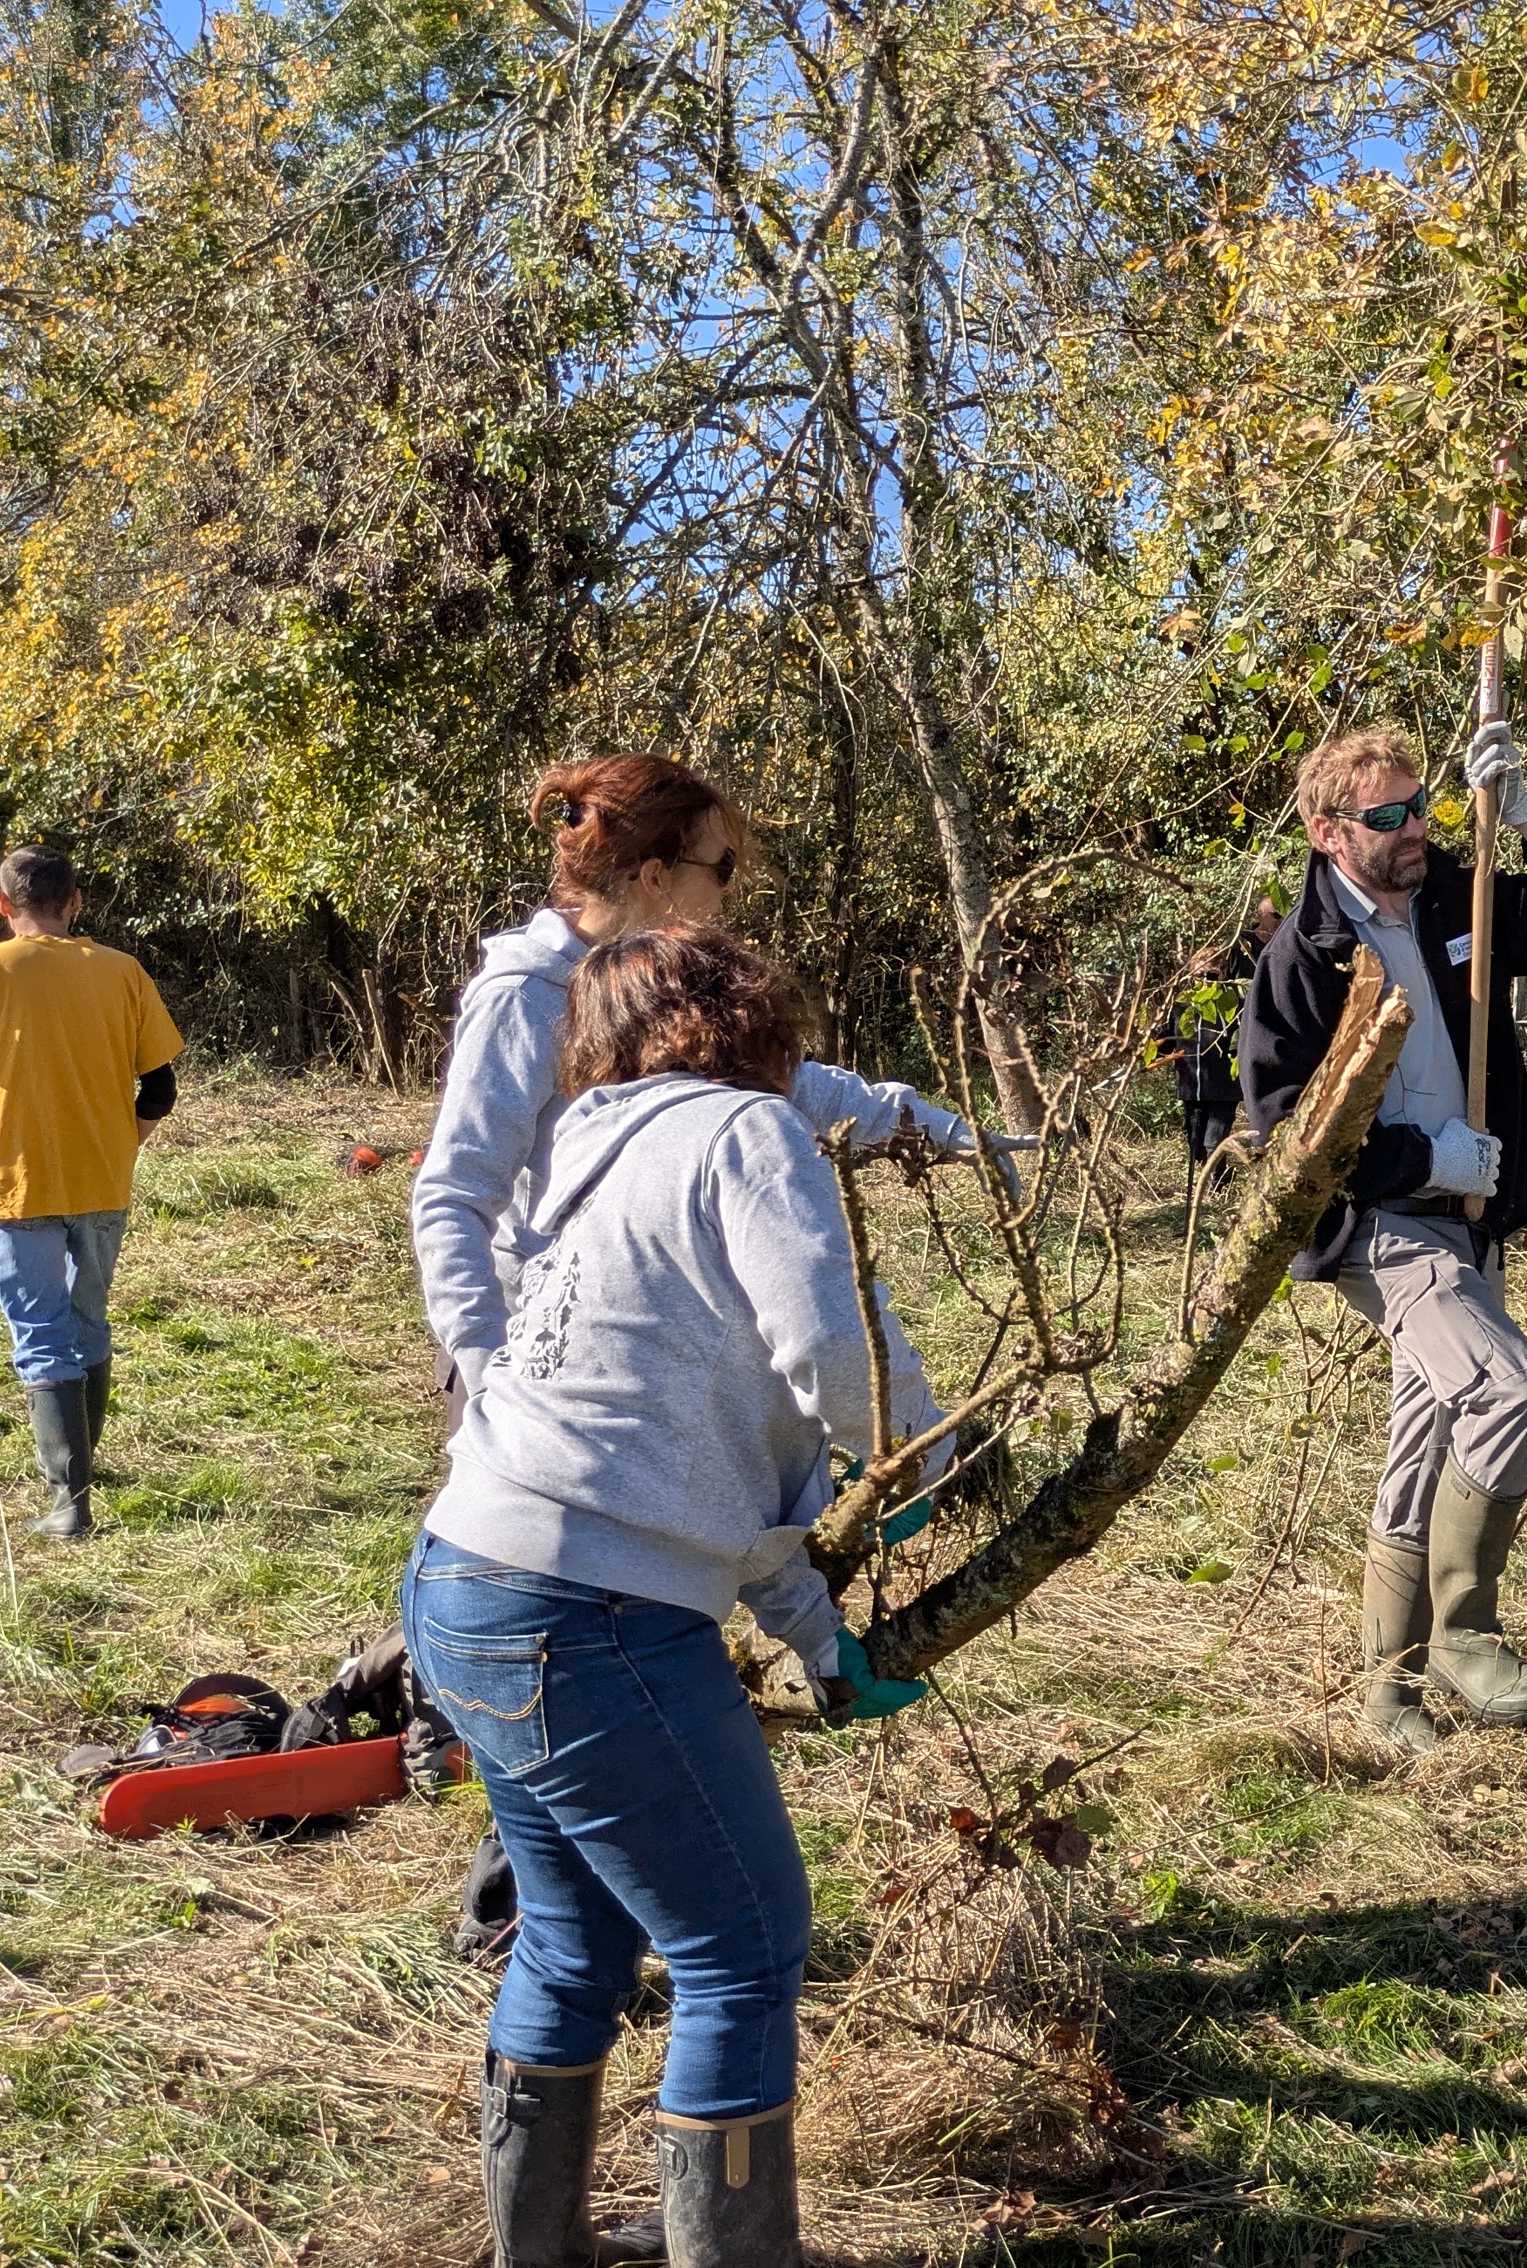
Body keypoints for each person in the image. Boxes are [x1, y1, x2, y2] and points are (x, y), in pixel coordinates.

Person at [413, 922, 939, 2268]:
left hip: (468, 1578)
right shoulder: (741, 1137)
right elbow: (827, 1337)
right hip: (584, 1619)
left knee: (574, 1951)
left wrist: (822, 1642)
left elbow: (694, 1463)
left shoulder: (592, 1150)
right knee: (746, 1948)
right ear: (752, 1023)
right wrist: (920, 1448)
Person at [1238, 720, 1527, 1753]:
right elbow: (1290, 1136)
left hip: (1471, 1223)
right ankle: (1465, 1632)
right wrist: (1420, 1161)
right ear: (1329, 832)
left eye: (1423, 806)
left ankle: (1386, 1702)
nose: (1416, 826)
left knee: (1424, 1440)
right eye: (1388, 815)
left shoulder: (1457, 897)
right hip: (1381, 1226)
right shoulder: (1303, 959)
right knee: (1507, 1389)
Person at [414, 755, 976, 1433]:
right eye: (722, 870)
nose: (729, 896)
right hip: (529, 1358)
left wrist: (932, 1128)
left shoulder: (660, 985)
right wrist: (486, 1370)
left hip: (631, 1344)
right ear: (655, 877)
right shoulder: (525, 999)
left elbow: (782, 1081)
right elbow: (453, 1196)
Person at [0, 846, 184, 1541]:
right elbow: (160, 1087)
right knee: (87, 1322)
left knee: (42, 1337)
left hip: (15, 1182)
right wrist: (121, 1144)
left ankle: (70, 1503)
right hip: (102, 1179)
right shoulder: (123, 972)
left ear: (3, 904)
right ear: (76, 902)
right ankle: (83, 1470)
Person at [1166, 903, 1278, 1170]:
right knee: (1194, 1140)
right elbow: (1165, 1037)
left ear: (1224, 973)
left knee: (1214, 1141)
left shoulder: (1234, 1003)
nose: (1206, 981)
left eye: (1211, 975)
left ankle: (1217, 1187)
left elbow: (1250, 1036)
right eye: (1199, 976)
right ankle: (1207, 1186)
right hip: (1191, 1086)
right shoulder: (1182, 1004)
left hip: (1223, 1086)